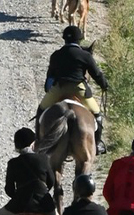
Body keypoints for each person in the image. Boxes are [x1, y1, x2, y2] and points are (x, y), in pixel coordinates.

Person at [36, 26, 109, 154]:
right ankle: (97, 144)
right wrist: (104, 85)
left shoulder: (56, 55)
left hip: (59, 88)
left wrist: (48, 90)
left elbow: (50, 77)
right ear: (79, 40)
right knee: (97, 113)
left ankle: (38, 142)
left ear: (64, 39)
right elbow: (96, 74)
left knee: (41, 110)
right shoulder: (85, 55)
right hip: (78, 89)